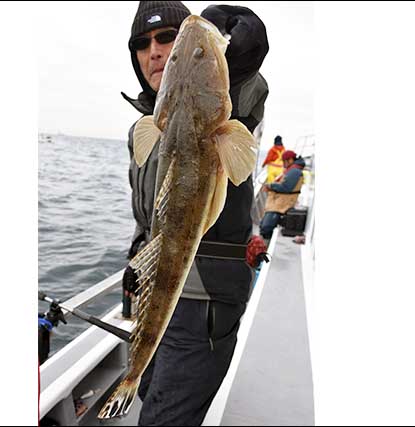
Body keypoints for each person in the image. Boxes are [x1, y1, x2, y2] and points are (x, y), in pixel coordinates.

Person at [121, 1, 269, 425]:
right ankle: (132, 378)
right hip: (155, 298)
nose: (154, 51)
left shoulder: (232, 106)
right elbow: (147, 214)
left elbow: (246, 94)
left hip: (202, 310)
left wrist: (239, 66)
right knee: (147, 392)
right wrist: (136, 259)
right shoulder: (143, 128)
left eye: (167, 38)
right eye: (142, 43)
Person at [259, 150, 306, 239]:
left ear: (291, 160)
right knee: (263, 225)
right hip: (278, 202)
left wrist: (270, 186)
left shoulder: (295, 171)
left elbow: (286, 187)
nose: (283, 163)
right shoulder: (292, 169)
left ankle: (265, 243)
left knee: (266, 227)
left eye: (285, 161)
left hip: (282, 204)